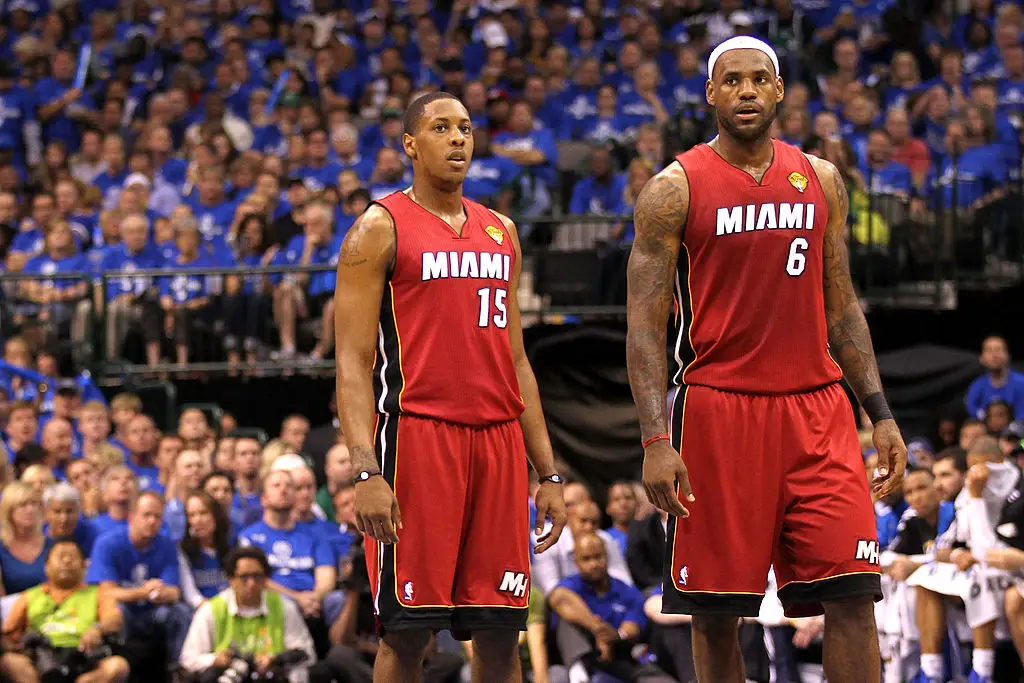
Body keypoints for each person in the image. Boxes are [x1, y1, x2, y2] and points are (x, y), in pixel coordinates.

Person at [624, 36, 908, 683]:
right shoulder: (673, 189)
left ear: (779, 90)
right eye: (732, 81)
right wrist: (653, 437)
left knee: (854, 592)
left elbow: (842, 308)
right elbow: (645, 328)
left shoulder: (822, 179)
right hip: (720, 410)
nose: (746, 91)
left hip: (818, 409)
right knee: (717, 614)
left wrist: (881, 414)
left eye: (759, 79)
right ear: (711, 94)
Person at [333, 91, 567, 683]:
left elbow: (517, 359)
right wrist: (365, 471)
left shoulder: (501, 231)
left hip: (497, 445)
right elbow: (353, 363)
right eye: (442, 128)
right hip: (416, 442)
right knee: (408, 635)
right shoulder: (378, 228)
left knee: (498, 634)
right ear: (411, 144)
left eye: (465, 127)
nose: (459, 138)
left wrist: (548, 472)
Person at [548, 532, 674, 683]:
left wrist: (615, 636)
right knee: (566, 620)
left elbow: (632, 628)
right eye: (586, 559)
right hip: (581, 654)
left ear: (607, 556)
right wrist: (598, 629)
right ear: (576, 562)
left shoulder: (626, 591)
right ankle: (579, 675)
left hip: (619, 655)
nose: (594, 564)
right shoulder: (570, 586)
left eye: (598, 556)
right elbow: (558, 597)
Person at [179, 547, 318, 683]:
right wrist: (214, 659)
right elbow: (188, 659)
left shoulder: (284, 607)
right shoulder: (211, 610)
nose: (251, 584)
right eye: (244, 577)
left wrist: (277, 659)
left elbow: (307, 653)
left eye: (257, 576)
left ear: (265, 579)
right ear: (231, 580)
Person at [85, 491, 191, 668]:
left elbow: (174, 592)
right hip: (125, 610)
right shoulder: (107, 543)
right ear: (132, 517)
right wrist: (143, 592)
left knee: (180, 612)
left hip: (153, 611)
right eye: (147, 515)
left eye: (157, 516)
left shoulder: (166, 544)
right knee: (116, 612)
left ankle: (178, 669)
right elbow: (105, 592)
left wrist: (161, 593)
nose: (152, 521)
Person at [0, 539, 129, 683]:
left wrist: (97, 630)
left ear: (84, 565)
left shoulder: (99, 593)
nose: (67, 561)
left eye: (73, 557)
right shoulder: (29, 596)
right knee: (10, 661)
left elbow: (114, 620)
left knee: (117, 666)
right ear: (46, 566)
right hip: (41, 660)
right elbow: (9, 635)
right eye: (61, 557)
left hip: (83, 658)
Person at [178, 491, 231, 609]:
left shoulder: (234, 545)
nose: (198, 520)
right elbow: (191, 595)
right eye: (191, 515)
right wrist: (212, 610)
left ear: (215, 515)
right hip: (201, 612)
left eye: (203, 513)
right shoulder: (182, 552)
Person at [965, 336, 1024, 420]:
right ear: (982, 358)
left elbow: (1021, 416)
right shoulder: (977, 385)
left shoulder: (1021, 383)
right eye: (989, 350)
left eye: (998, 349)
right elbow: (972, 409)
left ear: (1007, 355)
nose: (994, 355)